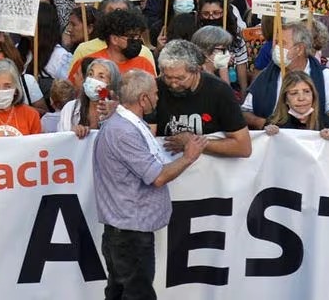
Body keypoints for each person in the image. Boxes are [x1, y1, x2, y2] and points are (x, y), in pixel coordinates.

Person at [92, 71, 206, 300]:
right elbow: (157, 177)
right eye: (155, 94)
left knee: (119, 292)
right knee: (137, 294)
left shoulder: (123, 124)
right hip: (129, 234)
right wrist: (188, 157)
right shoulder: (124, 131)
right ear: (143, 99)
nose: (157, 98)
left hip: (124, 231)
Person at [153, 40, 251, 157]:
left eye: (180, 78)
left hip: (209, 171)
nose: (174, 84)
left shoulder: (219, 91)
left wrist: (194, 143)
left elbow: (243, 147)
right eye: (168, 77)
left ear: (197, 70)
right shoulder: (155, 88)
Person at [243, 21, 329, 131]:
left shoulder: (326, 76)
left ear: (299, 49)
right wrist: (264, 124)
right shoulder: (265, 75)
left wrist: (311, 121)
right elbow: (244, 112)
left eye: (282, 43)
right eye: (276, 43)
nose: (276, 48)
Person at [58, 57, 121, 135]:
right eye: (90, 74)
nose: (92, 79)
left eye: (101, 77)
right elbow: (61, 140)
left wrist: (114, 113)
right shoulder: (70, 108)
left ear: (111, 84)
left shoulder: (118, 111)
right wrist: (71, 134)